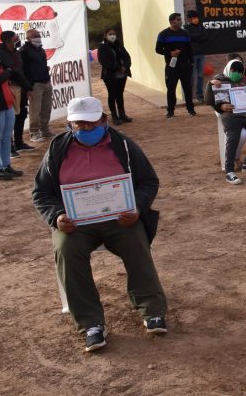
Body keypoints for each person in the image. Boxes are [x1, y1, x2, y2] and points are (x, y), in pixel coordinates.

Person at [32, 96, 167, 352]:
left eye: (91, 123)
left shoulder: (123, 145)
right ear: (70, 124)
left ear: (103, 120)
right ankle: (90, 323)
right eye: (79, 124)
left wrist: (137, 208)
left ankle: (152, 310)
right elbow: (41, 192)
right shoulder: (58, 149)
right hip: (76, 223)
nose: (85, 129)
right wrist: (57, 216)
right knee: (66, 250)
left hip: (120, 219)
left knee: (136, 242)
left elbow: (149, 181)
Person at [205, 58, 246, 185]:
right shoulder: (219, 80)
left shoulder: (245, 81)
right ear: (229, 69)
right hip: (230, 116)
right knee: (233, 138)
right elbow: (208, 100)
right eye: (234, 70)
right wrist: (220, 104)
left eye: (240, 72)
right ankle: (229, 171)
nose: (237, 74)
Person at [0, 31, 34, 155]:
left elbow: (19, 71)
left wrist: (27, 87)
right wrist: (10, 72)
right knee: (9, 120)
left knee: (21, 115)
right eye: (15, 38)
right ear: (8, 42)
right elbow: (11, 72)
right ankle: (10, 148)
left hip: (21, 88)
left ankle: (19, 143)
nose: (18, 40)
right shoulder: (0, 54)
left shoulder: (16, 52)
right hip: (10, 89)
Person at [155, 13, 196, 118]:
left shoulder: (185, 33)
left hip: (185, 65)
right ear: (172, 21)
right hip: (171, 66)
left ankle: (191, 109)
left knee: (187, 88)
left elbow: (189, 49)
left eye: (180, 19)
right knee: (171, 89)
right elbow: (158, 49)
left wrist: (191, 62)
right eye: (178, 19)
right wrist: (170, 53)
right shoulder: (163, 34)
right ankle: (170, 111)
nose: (180, 21)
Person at [20, 28, 54, 141]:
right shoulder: (23, 51)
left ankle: (45, 130)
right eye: (35, 36)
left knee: (46, 109)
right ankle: (34, 132)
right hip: (35, 84)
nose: (38, 38)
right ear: (28, 38)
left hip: (46, 82)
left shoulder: (41, 50)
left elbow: (41, 64)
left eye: (38, 35)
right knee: (35, 110)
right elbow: (23, 70)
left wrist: (45, 69)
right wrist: (28, 86)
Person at [0, 58, 28, 179]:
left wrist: (9, 70)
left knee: (6, 137)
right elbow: (0, 79)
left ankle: (6, 165)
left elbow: (13, 69)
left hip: (8, 104)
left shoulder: (0, 62)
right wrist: (8, 71)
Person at [97, 29, 133, 126]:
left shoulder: (119, 44)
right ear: (105, 36)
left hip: (122, 74)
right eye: (110, 34)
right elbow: (104, 61)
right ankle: (114, 116)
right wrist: (118, 67)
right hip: (110, 75)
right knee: (112, 94)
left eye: (114, 34)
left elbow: (127, 57)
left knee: (120, 94)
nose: (112, 36)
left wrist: (125, 66)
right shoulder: (102, 47)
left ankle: (122, 114)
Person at [183, 10, 207, 102]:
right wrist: (198, 37)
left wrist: (195, 37)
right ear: (189, 19)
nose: (196, 20)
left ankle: (199, 95)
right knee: (191, 76)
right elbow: (189, 37)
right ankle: (189, 96)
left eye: (196, 18)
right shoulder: (186, 27)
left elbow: (205, 37)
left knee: (200, 75)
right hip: (191, 55)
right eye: (193, 18)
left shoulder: (201, 27)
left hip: (201, 54)